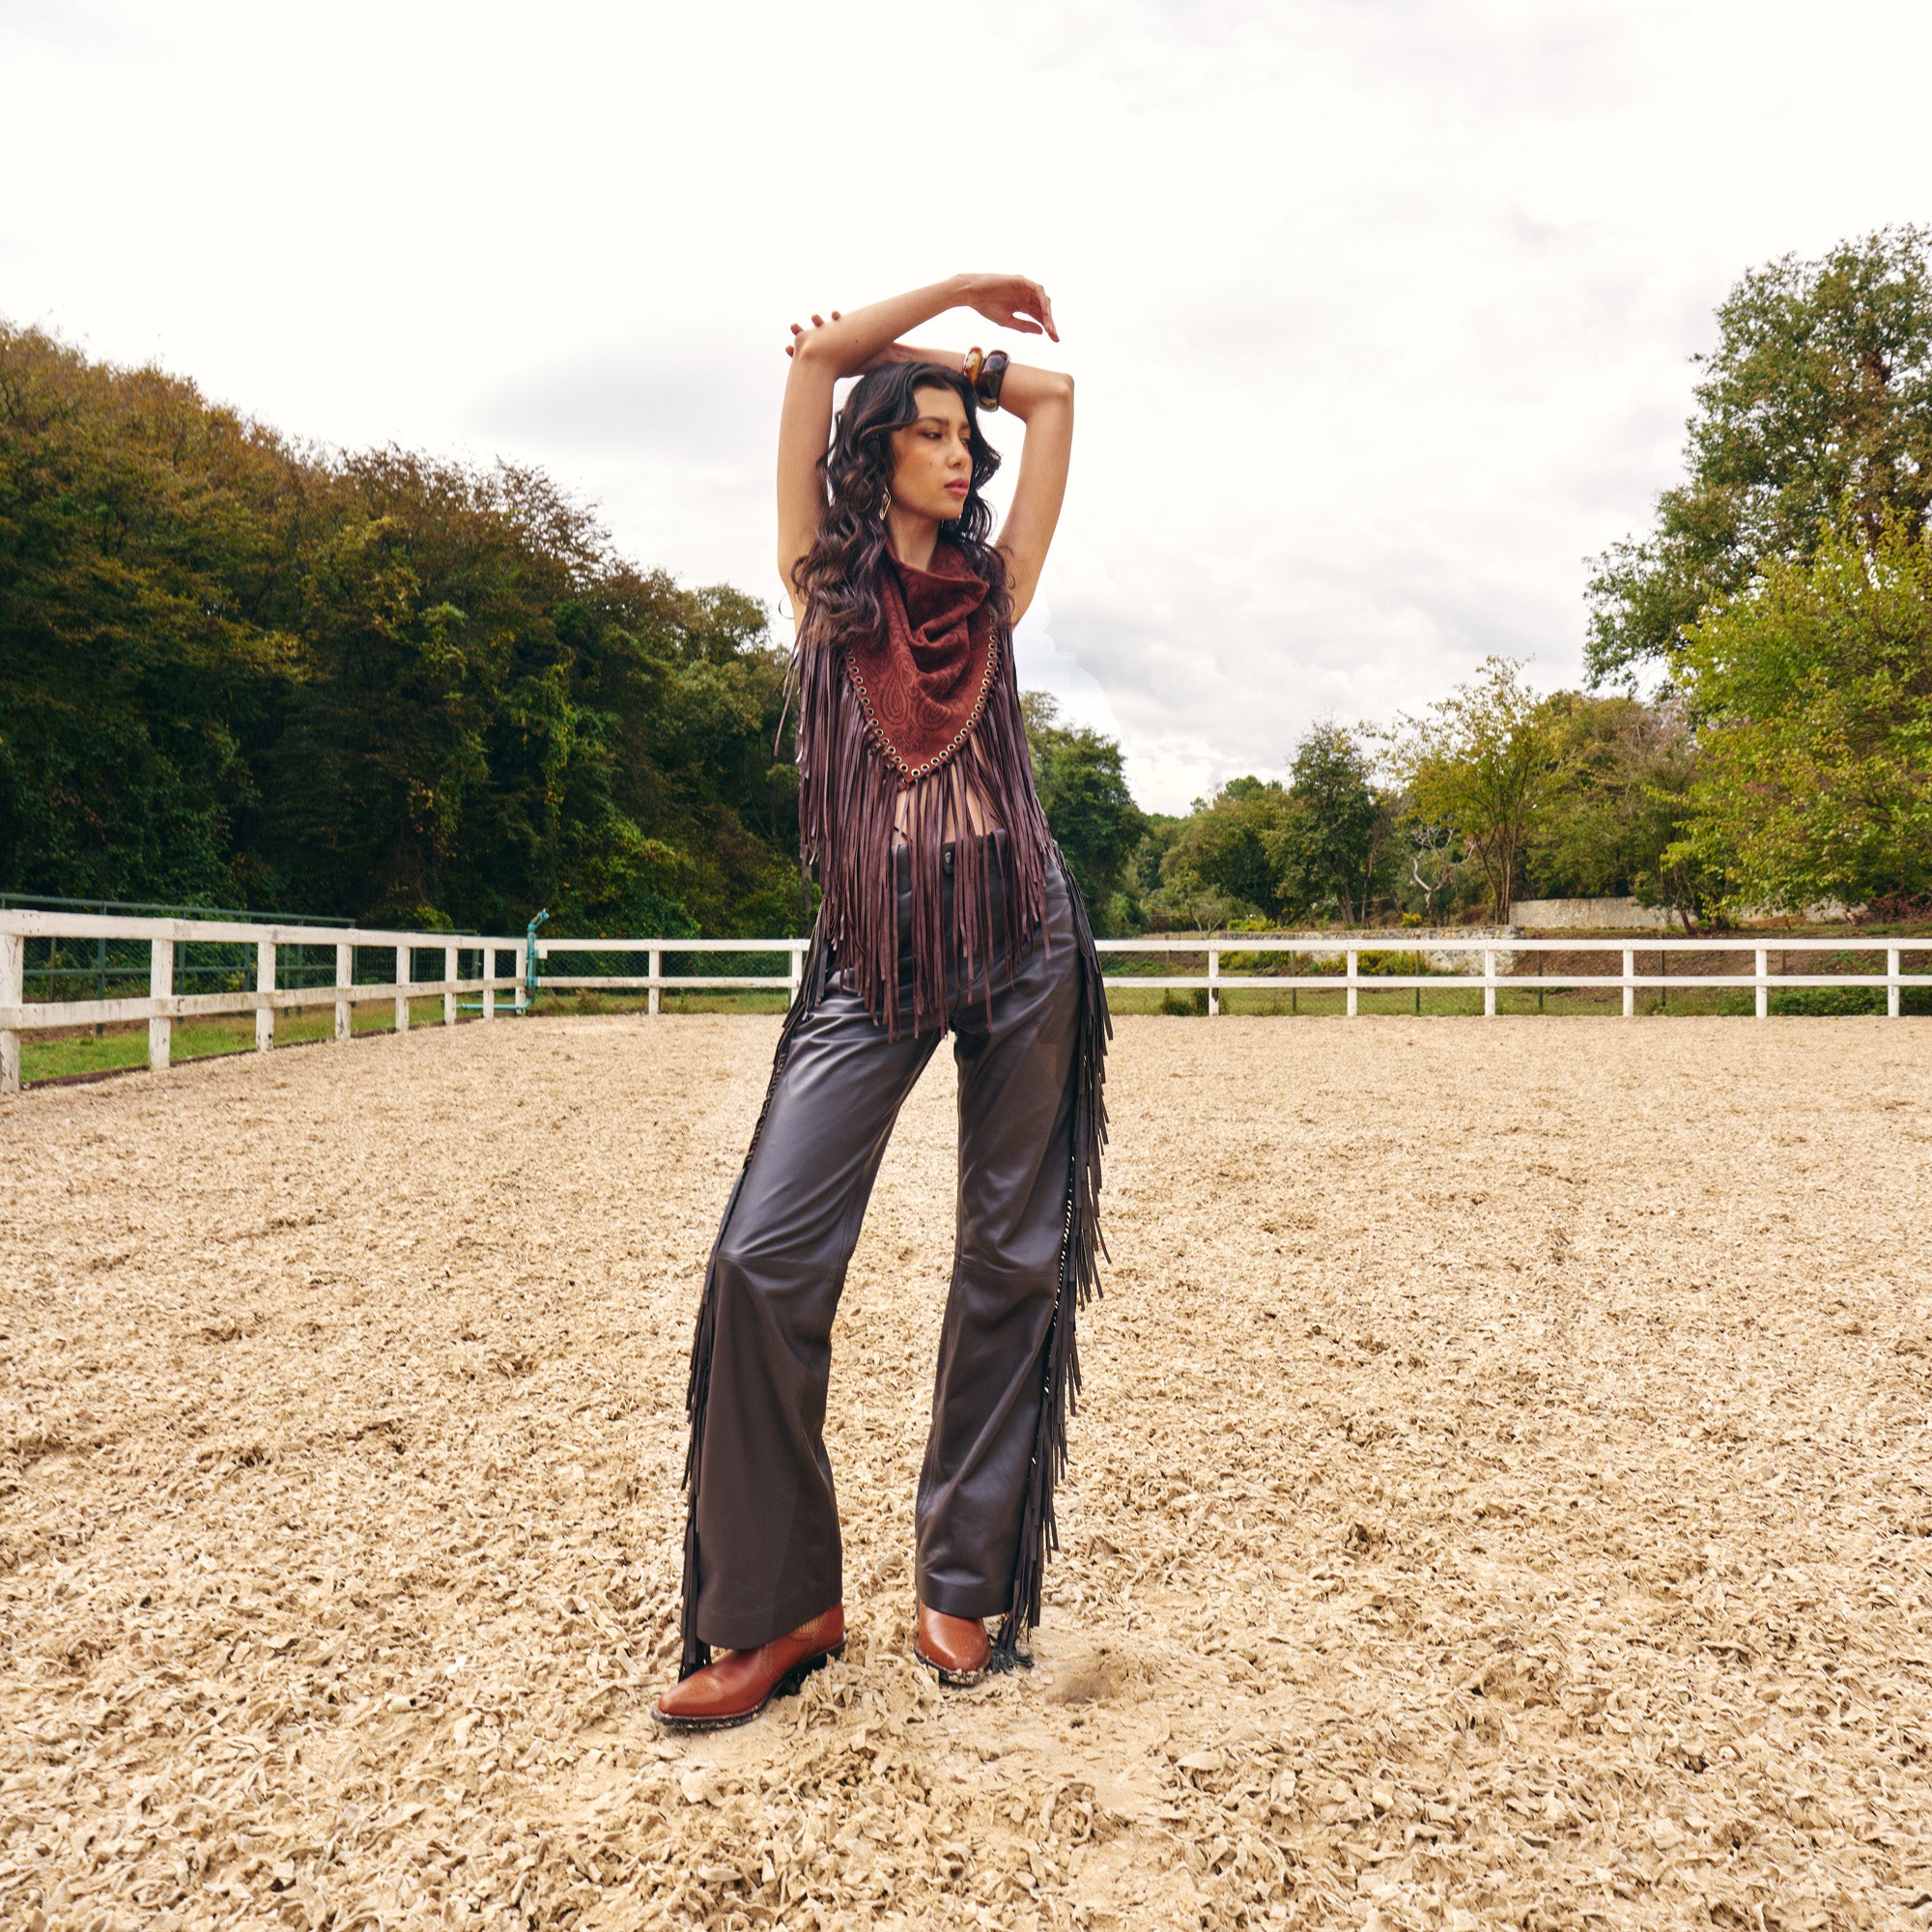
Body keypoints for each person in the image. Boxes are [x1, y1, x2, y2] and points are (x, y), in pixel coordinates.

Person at [652, 273, 1109, 1731]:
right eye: (926, 432)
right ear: (873, 455)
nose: (962, 448)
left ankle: (964, 1587)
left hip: (1024, 935)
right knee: (761, 1261)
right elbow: (822, 363)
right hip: (873, 957)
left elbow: (1056, 397)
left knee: (1013, 1257)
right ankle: (778, 1608)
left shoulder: (994, 587)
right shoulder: (820, 581)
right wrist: (955, 302)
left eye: (960, 435)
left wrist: (969, 367)